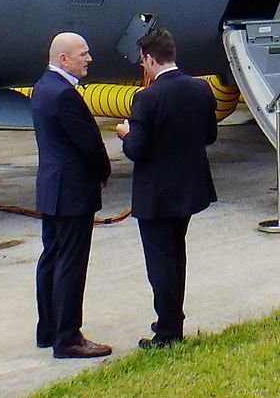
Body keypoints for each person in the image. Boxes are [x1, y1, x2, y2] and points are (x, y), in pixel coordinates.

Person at [115, 27, 218, 349]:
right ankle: (172, 317)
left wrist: (125, 133)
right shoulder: (201, 89)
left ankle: (168, 330)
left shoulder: (146, 98)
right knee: (176, 255)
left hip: (157, 194)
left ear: (148, 59)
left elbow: (137, 150)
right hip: (189, 188)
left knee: (160, 262)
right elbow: (209, 137)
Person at [31, 31, 113, 359]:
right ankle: (68, 337)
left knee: (51, 256)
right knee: (70, 263)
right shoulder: (64, 95)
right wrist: (104, 171)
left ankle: (48, 328)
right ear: (63, 59)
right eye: (83, 54)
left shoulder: (42, 87)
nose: (89, 59)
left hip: (52, 187)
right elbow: (89, 142)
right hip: (72, 191)